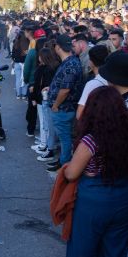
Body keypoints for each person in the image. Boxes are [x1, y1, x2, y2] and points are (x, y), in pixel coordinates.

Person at [59, 87, 128, 257]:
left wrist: (66, 169)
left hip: (94, 201)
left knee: (82, 249)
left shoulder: (90, 141)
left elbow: (72, 173)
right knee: (115, 250)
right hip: (125, 197)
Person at [48, 35, 85, 168]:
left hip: (63, 109)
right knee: (65, 138)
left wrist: (55, 105)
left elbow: (65, 90)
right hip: (66, 108)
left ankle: (65, 164)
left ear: (58, 47)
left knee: (65, 138)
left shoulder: (70, 64)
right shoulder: (71, 61)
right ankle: (63, 161)